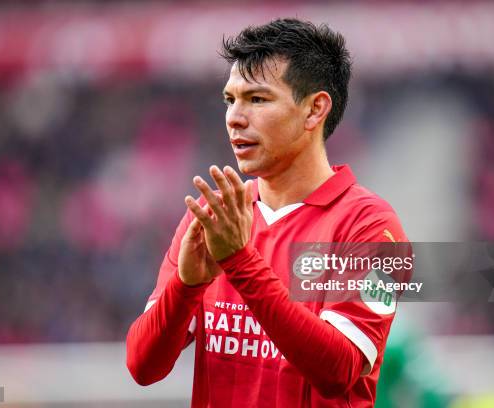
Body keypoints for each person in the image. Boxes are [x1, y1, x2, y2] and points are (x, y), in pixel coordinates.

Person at [126, 18, 408, 407]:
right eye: (230, 99)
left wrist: (239, 260)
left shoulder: (370, 226)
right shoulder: (214, 216)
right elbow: (143, 367)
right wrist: (187, 285)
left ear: (314, 110)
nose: (235, 117)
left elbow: (338, 370)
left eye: (257, 99)